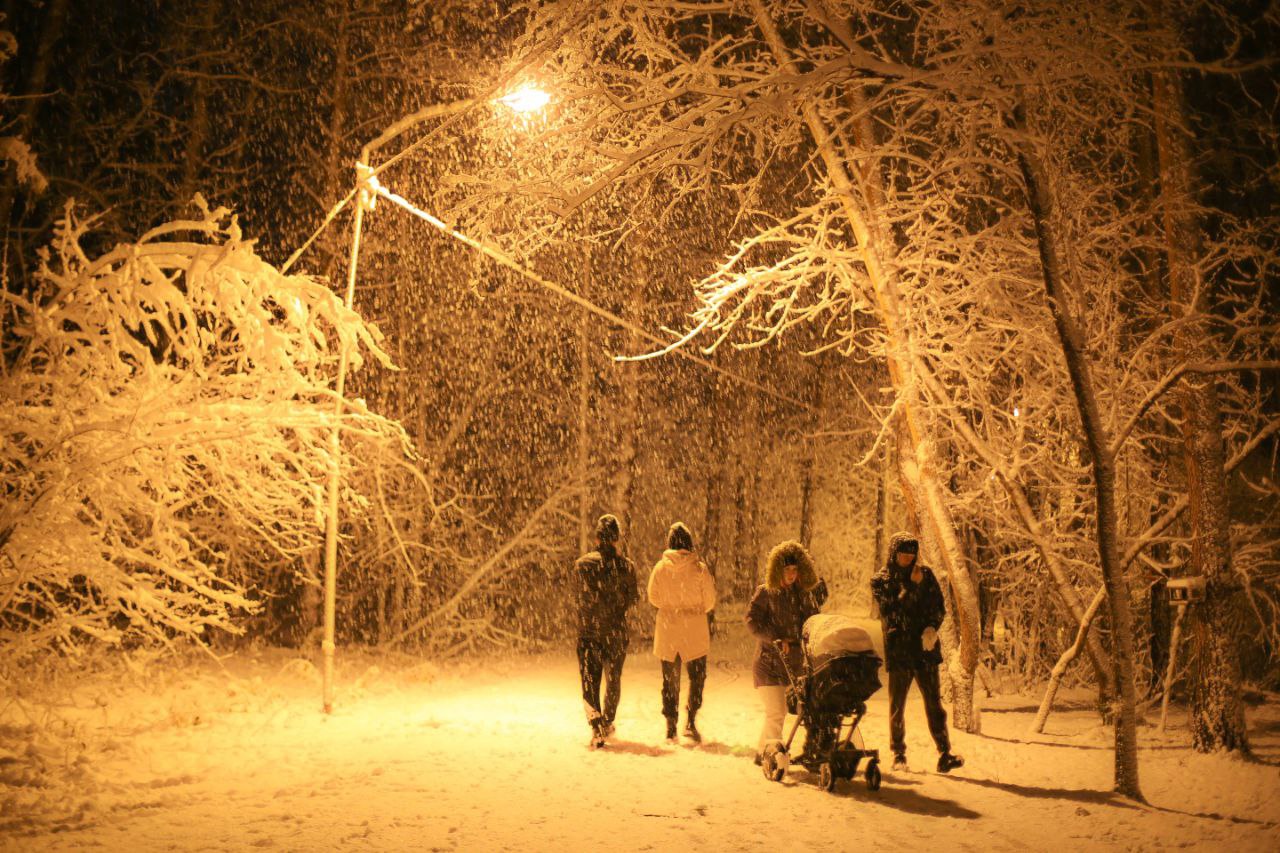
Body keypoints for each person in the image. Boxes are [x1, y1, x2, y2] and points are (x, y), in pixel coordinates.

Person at [870, 532, 964, 773]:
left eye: (911, 555)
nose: (907, 559)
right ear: (894, 554)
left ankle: (944, 752)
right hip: (900, 650)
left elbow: (938, 606)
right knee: (897, 705)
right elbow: (892, 612)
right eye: (903, 555)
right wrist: (911, 585)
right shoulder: (881, 580)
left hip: (925, 650)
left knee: (934, 703)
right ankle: (898, 752)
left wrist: (933, 626)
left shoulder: (927, 575)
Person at [745, 540, 828, 764]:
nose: (791, 574)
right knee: (776, 712)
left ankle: (763, 752)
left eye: (794, 569)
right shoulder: (765, 593)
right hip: (769, 663)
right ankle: (772, 757)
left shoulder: (802, 594)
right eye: (787, 569)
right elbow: (752, 622)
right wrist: (775, 638)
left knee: (806, 709)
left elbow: (813, 619)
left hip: (795, 664)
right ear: (777, 570)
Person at [647, 521, 717, 743]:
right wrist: (694, 612)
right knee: (697, 677)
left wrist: (670, 608)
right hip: (694, 630)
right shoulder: (700, 569)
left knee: (670, 680)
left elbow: (653, 597)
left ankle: (670, 725)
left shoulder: (660, 568)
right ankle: (691, 720)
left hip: (668, 630)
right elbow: (710, 601)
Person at [575, 513, 639, 749]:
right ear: (616, 538)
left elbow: (578, 599)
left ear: (597, 537)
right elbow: (632, 599)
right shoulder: (627, 567)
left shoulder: (582, 566)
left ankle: (596, 725)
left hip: (590, 631)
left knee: (590, 679)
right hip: (615, 631)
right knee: (613, 678)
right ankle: (608, 720)